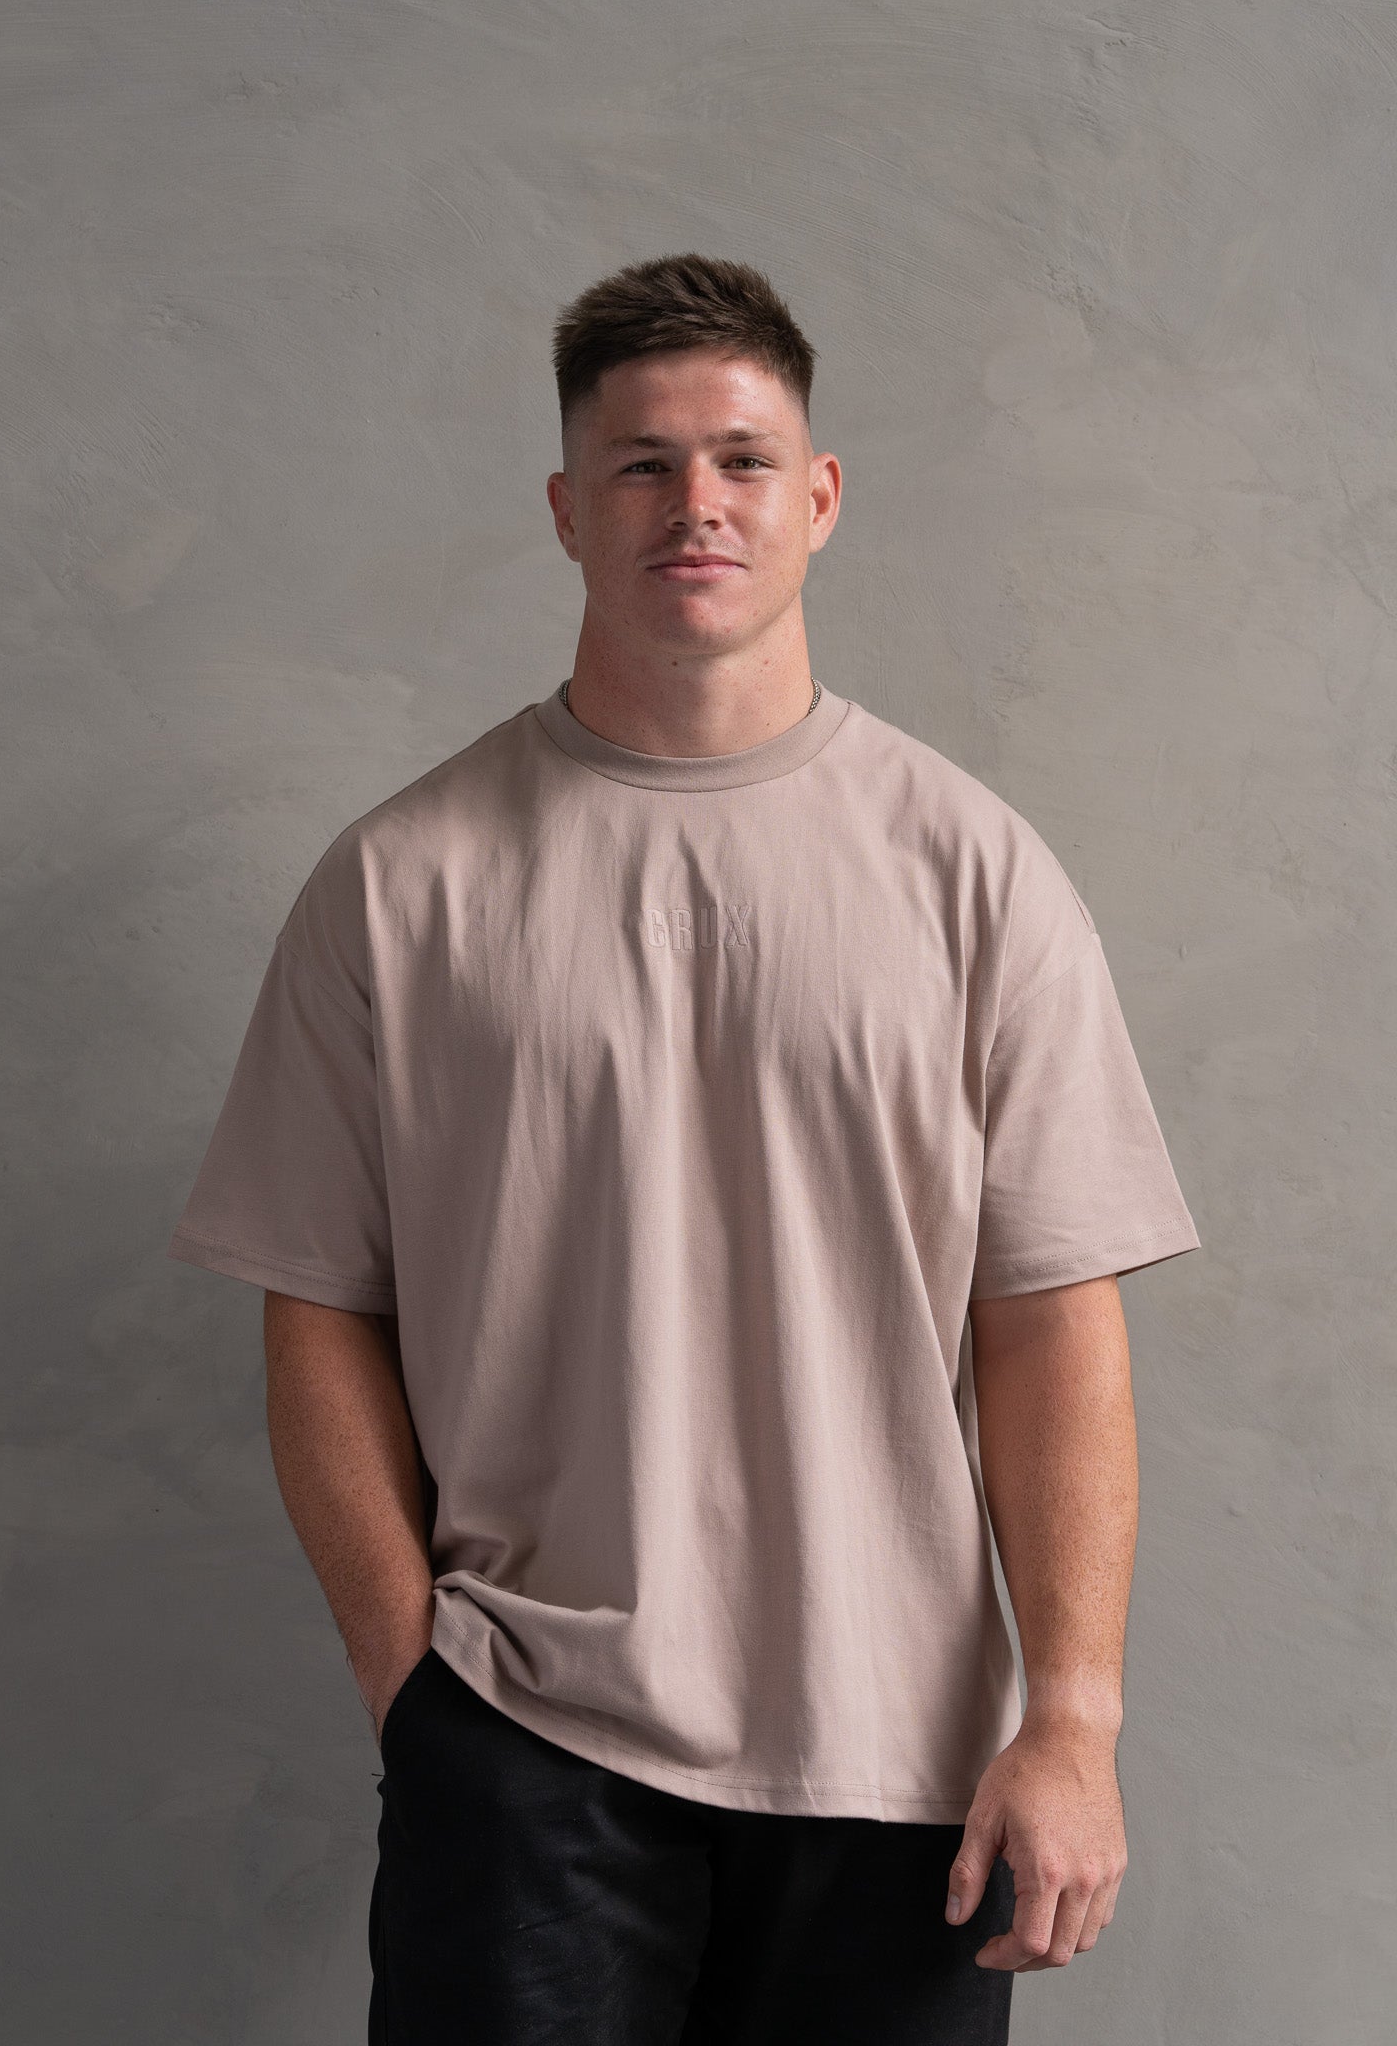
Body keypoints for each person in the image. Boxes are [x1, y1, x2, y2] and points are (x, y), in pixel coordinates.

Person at [167, 252, 1201, 2044]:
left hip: (902, 1762)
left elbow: (1051, 1318)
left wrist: (1075, 1718)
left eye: (740, 458)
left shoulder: (975, 874)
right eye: (641, 463)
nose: (694, 502)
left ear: (820, 498)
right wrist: (413, 1683)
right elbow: (318, 1307)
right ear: (567, 510)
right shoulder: (402, 886)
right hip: (525, 1742)